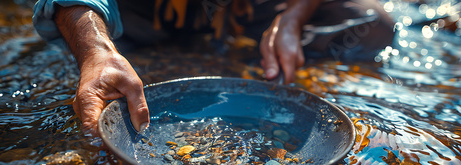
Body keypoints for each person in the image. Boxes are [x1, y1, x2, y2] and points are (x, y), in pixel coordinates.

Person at [33, 0, 394, 135]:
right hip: (141, 9)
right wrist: (96, 51)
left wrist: (292, 19)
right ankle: (138, 52)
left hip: (245, 10)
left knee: (371, 22)